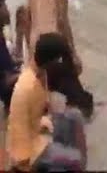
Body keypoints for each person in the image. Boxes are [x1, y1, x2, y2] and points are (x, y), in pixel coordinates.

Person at [7, 33, 87, 172]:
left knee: (75, 116)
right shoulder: (26, 88)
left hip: (39, 128)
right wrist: (25, 164)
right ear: (51, 61)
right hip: (31, 150)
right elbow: (19, 131)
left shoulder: (42, 74)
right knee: (74, 159)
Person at [0, 0, 20, 114]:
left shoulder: (2, 38)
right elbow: (5, 82)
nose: (8, 10)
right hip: (9, 91)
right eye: (4, 6)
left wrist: (21, 33)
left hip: (11, 89)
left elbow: (10, 64)